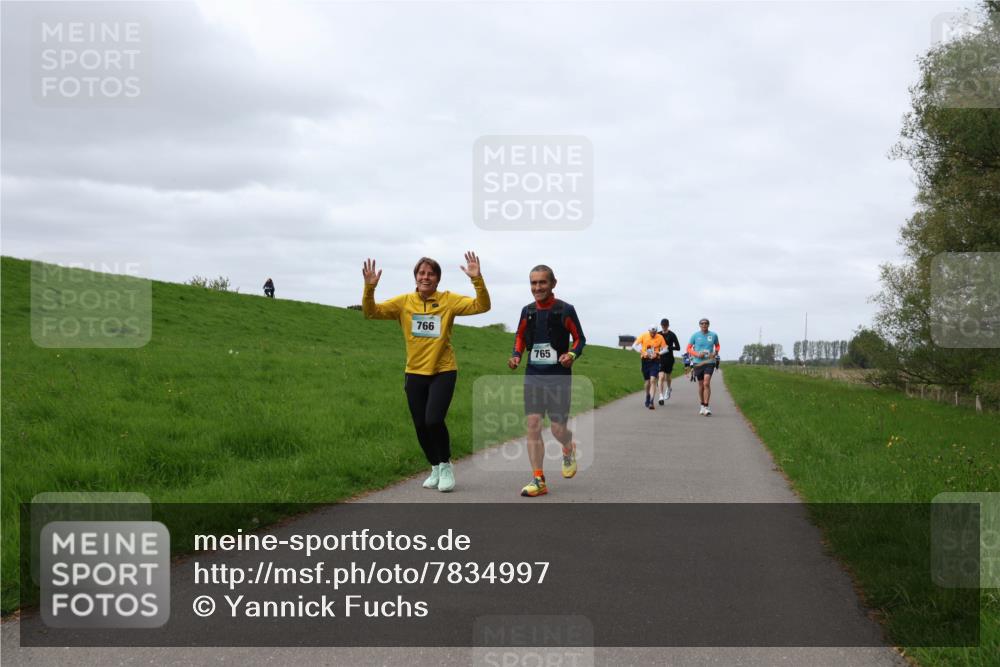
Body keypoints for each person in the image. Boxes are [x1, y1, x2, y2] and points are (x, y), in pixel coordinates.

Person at [362, 252, 490, 492]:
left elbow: (482, 306)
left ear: (437, 279)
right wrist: (369, 289)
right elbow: (371, 312)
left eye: (431, 273)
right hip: (414, 372)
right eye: (422, 273)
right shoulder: (404, 302)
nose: (426, 277)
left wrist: (477, 279)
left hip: (443, 370)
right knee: (420, 425)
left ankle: (446, 465)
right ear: (416, 277)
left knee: (433, 420)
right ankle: (434, 466)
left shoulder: (448, 300)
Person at [508, 265, 585, 498]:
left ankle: (567, 446)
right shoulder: (528, 311)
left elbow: (580, 339)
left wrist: (571, 355)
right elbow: (520, 336)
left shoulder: (565, 310)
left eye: (542, 282)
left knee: (557, 429)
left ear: (553, 283)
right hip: (533, 374)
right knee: (532, 423)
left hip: (559, 376)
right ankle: (538, 479)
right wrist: (516, 355)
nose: (537, 287)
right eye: (533, 283)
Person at [687, 318, 720, 416]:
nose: (704, 325)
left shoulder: (713, 335)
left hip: (709, 362)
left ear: (708, 325)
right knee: (701, 385)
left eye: (706, 323)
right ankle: (702, 405)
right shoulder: (695, 335)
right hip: (698, 362)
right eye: (702, 323)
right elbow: (688, 348)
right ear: (699, 325)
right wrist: (697, 354)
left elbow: (717, 346)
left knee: (706, 383)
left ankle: (706, 406)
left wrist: (715, 352)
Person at [633, 326, 668, 410]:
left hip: (655, 361)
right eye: (651, 332)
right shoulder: (643, 335)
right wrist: (642, 352)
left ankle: (651, 402)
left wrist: (658, 353)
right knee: (647, 382)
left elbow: (666, 349)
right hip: (645, 360)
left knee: (653, 380)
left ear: (656, 331)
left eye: (654, 332)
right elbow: (634, 345)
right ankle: (647, 396)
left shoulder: (660, 337)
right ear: (649, 331)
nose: (653, 334)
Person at [656, 318, 681, 405]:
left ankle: (669, 388)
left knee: (668, 377)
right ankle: (660, 396)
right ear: (661, 325)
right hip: (660, 358)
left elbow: (678, 347)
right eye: (663, 325)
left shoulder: (672, 335)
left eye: (665, 325)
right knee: (661, 376)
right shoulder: (658, 334)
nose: (664, 327)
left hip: (669, 358)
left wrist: (668, 347)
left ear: (668, 325)